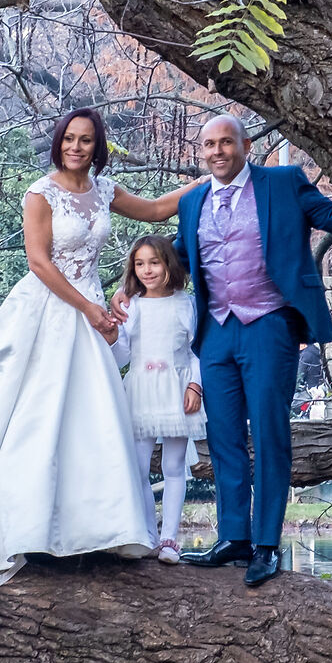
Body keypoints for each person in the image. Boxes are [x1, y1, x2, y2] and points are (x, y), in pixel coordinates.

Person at [0, 108, 190, 663]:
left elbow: (160, 208)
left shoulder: (104, 190)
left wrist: (221, 175)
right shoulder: (40, 192)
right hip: (52, 310)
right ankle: (28, 528)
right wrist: (90, 310)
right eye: (69, 139)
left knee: (91, 424)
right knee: (34, 419)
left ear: (98, 147)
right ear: (59, 142)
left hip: (94, 312)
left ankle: (97, 530)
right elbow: (40, 263)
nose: (76, 147)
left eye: (86, 140)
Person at [170, 114, 332, 587]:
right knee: (224, 438)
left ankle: (266, 544)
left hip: (270, 324)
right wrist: (129, 288)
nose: (217, 152)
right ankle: (233, 537)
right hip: (216, 330)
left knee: (271, 432)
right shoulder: (193, 200)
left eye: (226, 143)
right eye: (209, 145)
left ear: (245, 145)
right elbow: (177, 254)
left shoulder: (283, 182)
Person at [113, 235, 204, 564]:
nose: (147, 270)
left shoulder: (186, 303)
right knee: (138, 467)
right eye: (139, 264)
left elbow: (196, 352)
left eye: (154, 262)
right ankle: (147, 534)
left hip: (175, 393)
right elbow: (123, 352)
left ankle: (169, 539)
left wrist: (194, 386)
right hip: (140, 392)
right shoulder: (132, 305)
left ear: (169, 264)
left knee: (173, 467)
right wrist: (111, 336)